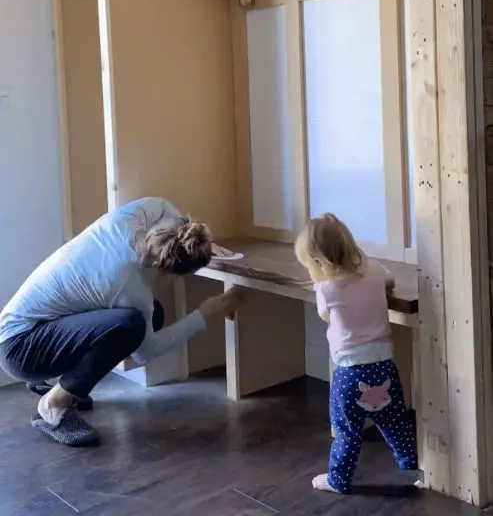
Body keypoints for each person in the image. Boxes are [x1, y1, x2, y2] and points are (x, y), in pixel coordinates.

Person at [0, 197, 240, 447]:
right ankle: (52, 407)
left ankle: (56, 382)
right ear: (164, 268)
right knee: (131, 324)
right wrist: (202, 314)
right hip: (20, 348)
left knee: (151, 314)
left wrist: (196, 242)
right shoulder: (129, 286)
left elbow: (162, 205)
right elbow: (146, 353)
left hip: (26, 328)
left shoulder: (126, 220)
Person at [294, 213, 417, 495]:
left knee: (348, 432)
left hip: (350, 374)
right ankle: (409, 461)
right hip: (385, 370)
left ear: (317, 263)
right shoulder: (373, 271)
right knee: (396, 421)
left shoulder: (326, 288)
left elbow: (325, 316)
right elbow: (390, 280)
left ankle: (339, 479)